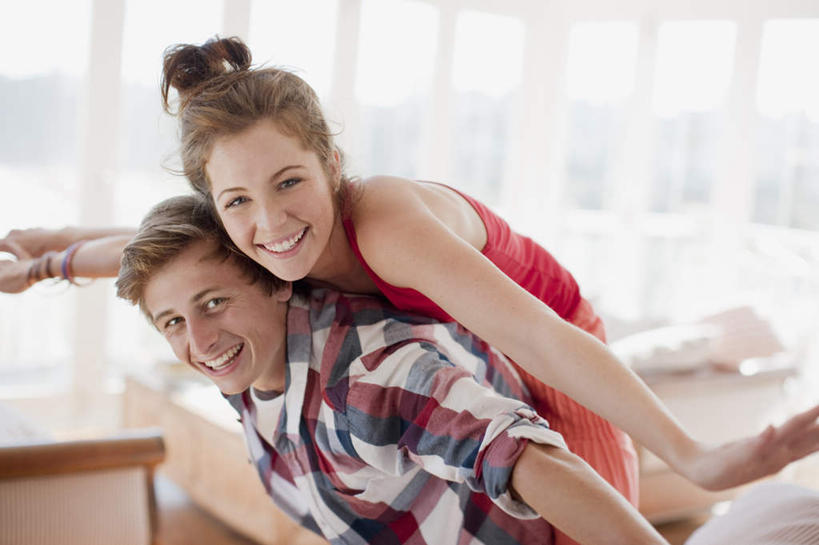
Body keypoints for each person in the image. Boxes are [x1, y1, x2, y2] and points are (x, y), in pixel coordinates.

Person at [2, 36, 818, 545]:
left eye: (290, 182)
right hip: (473, 359)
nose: (271, 222)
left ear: (332, 164)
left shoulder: (385, 223)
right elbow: (164, 253)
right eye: (238, 201)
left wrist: (694, 454)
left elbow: (543, 337)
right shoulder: (260, 235)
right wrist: (51, 258)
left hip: (542, 357)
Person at [116, 193, 669, 545]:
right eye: (172, 322)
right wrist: (69, 257)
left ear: (276, 279)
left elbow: (519, 453)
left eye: (214, 303)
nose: (200, 342)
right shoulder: (249, 355)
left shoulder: (369, 377)